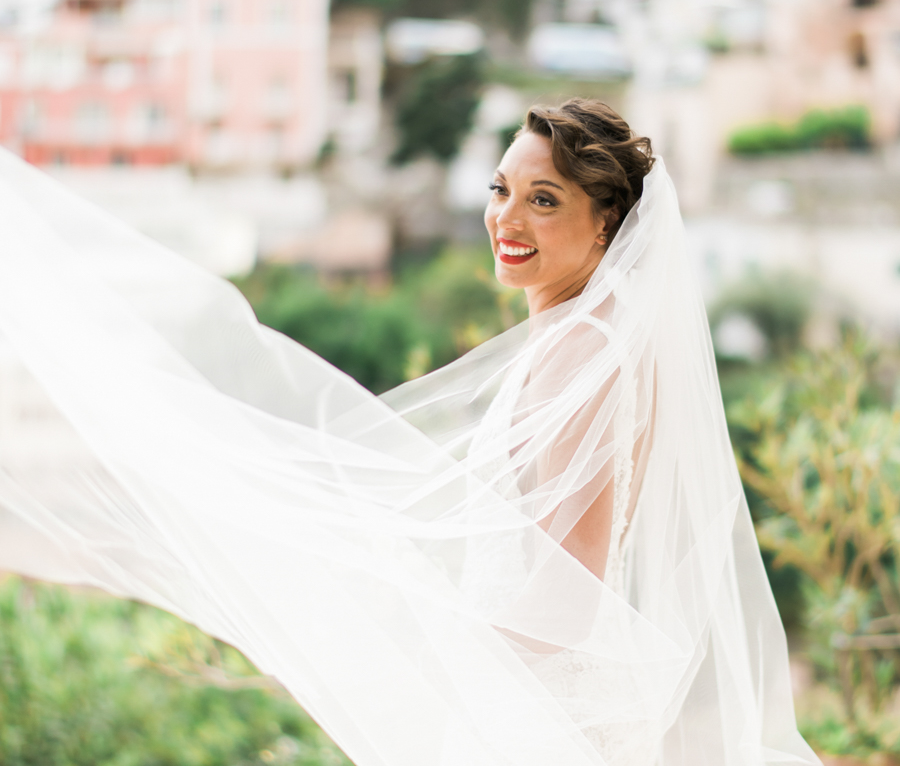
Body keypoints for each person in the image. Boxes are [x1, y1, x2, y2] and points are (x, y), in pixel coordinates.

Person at [0, 98, 818, 766]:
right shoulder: (588, 337)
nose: (509, 218)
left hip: (536, 719)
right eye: (501, 190)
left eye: (545, 200)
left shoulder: (580, 354)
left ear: (606, 223)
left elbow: (568, 585)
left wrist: (440, 679)